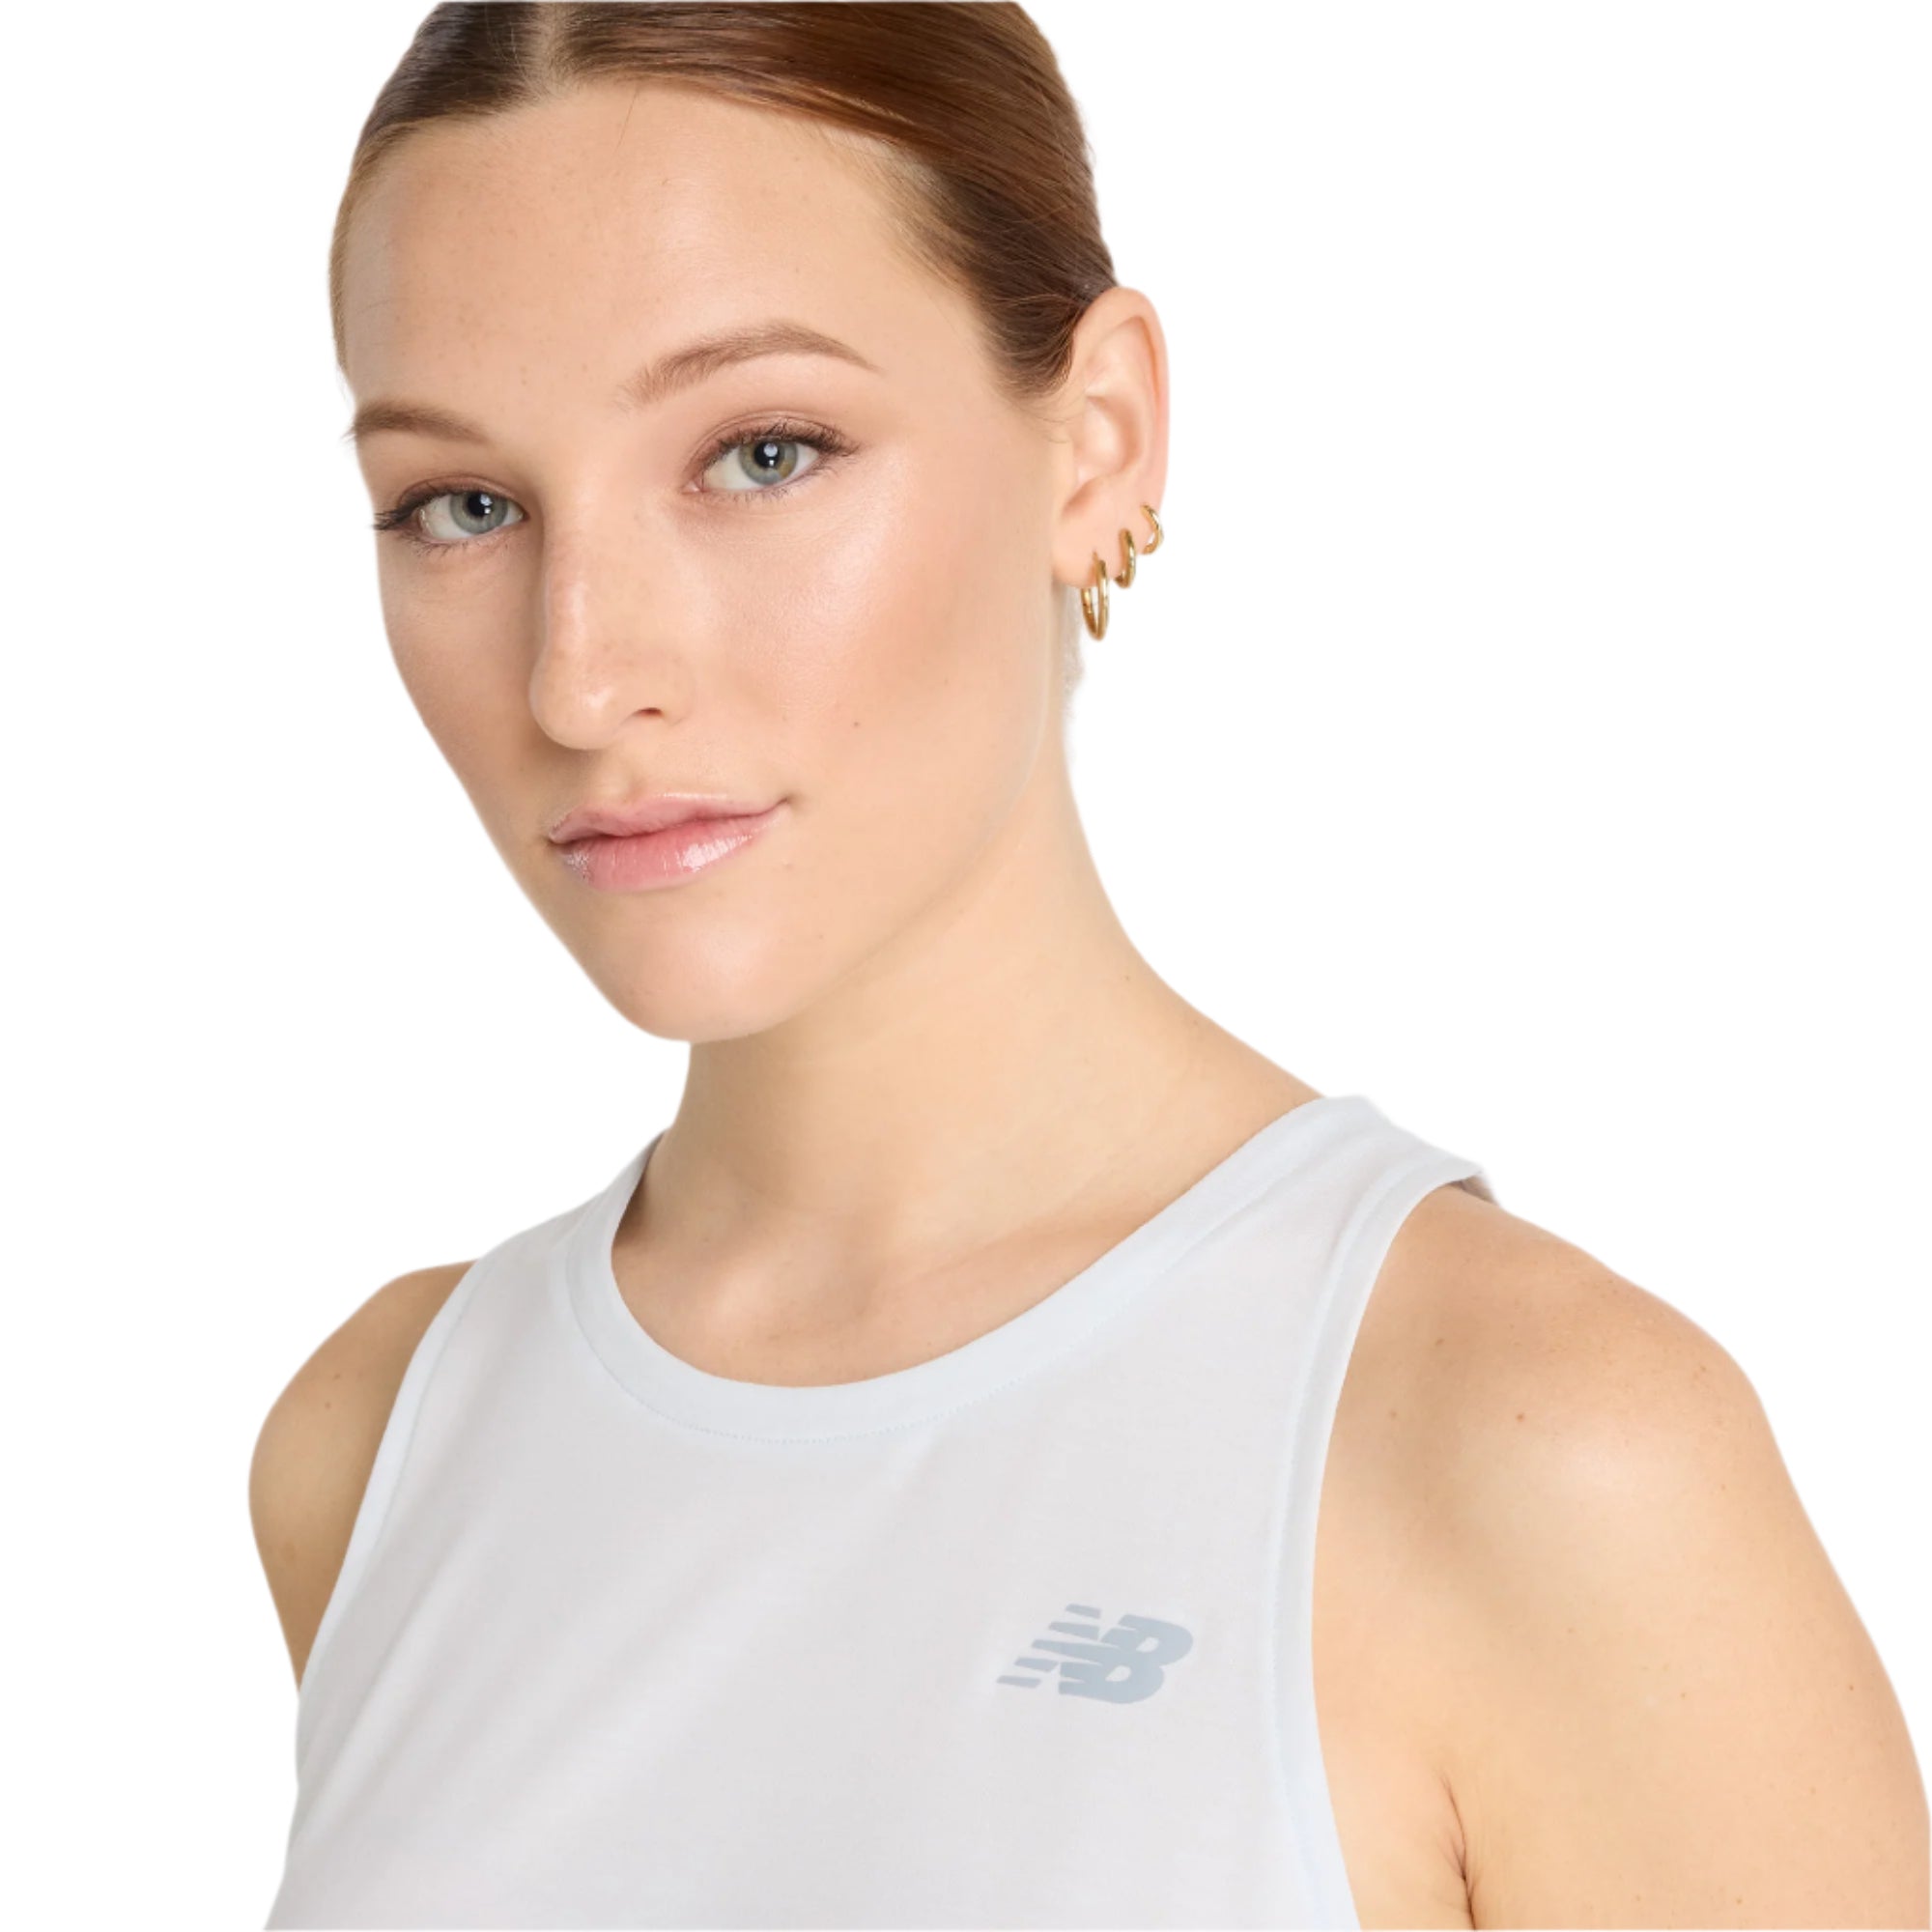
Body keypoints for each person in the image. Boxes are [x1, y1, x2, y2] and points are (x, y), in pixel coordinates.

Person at [250, 5, 1928, 1926]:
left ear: (1098, 440)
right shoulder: (378, 1444)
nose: (579, 671)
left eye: (763, 453)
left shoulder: (1527, 1445)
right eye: (462, 504)